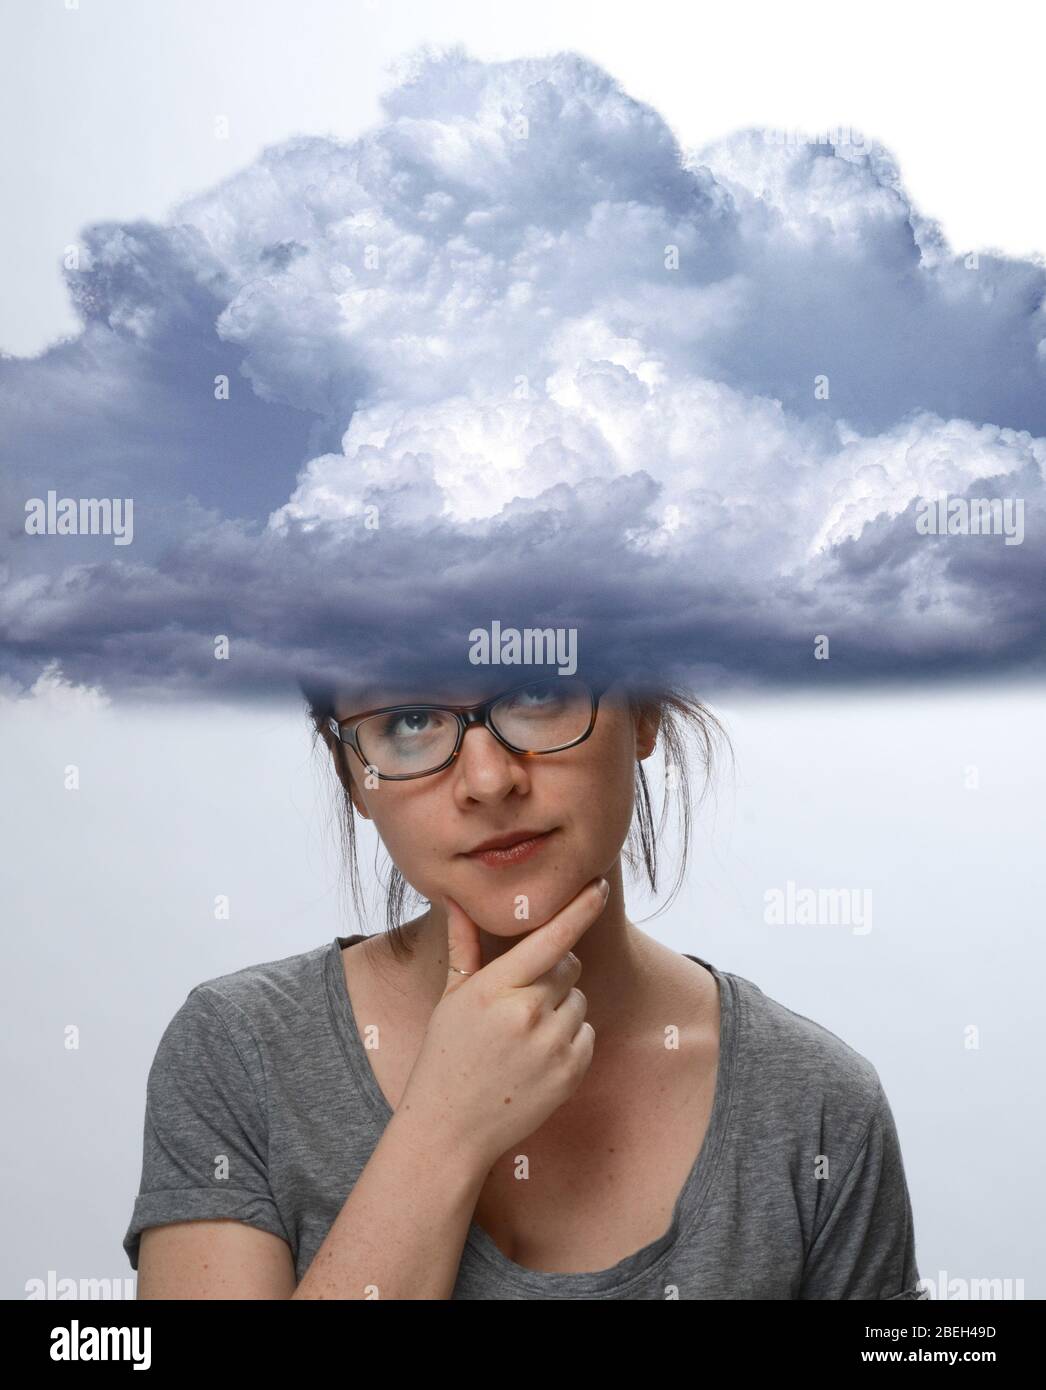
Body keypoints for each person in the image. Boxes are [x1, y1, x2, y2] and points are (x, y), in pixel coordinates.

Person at [123, 671, 928, 1299]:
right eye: (410, 720)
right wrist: (442, 1131)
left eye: (538, 691)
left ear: (643, 709)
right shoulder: (238, 1051)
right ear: (353, 778)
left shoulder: (819, 1105)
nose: (487, 778)